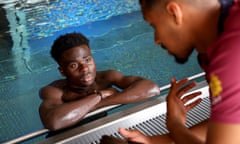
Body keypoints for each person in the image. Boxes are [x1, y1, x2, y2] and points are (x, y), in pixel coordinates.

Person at [118, 0, 240, 144]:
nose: (156, 39)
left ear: (174, 12)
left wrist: (175, 125)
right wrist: (154, 141)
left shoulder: (231, 54)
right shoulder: (214, 44)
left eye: (154, 25)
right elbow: (230, 126)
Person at [38, 32, 160, 131]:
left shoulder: (106, 77)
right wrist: (99, 95)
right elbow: (54, 122)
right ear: (62, 71)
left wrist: (98, 104)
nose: (85, 68)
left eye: (87, 60)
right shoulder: (54, 91)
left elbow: (151, 88)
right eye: (74, 65)